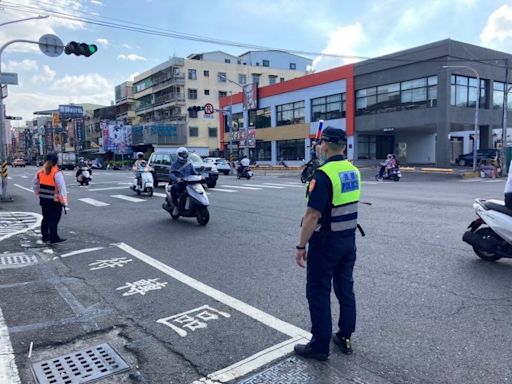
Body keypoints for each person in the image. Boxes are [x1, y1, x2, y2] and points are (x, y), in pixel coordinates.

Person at [294, 126, 361, 361]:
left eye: (319, 144)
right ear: (344, 147)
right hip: (348, 241)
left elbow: (313, 215)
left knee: (318, 291)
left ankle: (320, 345)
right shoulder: (353, 171)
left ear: (324, 145)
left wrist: (301, 246)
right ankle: (345, 336)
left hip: (325, 243)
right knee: (345, 288)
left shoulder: (323, 175)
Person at [33, 152, 68, 244]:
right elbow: (61, 187)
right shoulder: (56, 172)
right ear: (56, 161)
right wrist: (64, 201)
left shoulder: (41, 171)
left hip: (43, 199)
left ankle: (45, 236)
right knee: (54, 218)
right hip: (54, 200)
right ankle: (54, 237)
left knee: (46, 217)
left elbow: (35, 183)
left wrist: (38, 192)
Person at [169, 147, 197, 215]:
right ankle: (176, 206)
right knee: (174, 188)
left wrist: (200, 176)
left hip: (189, 183)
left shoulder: (189, 164)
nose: (184, 156)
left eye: (185, 154)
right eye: (182, 154)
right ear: (178, 155)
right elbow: (171, 173)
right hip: (180, 183)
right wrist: (176, 179)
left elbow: (194, 172)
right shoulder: (174, 164)